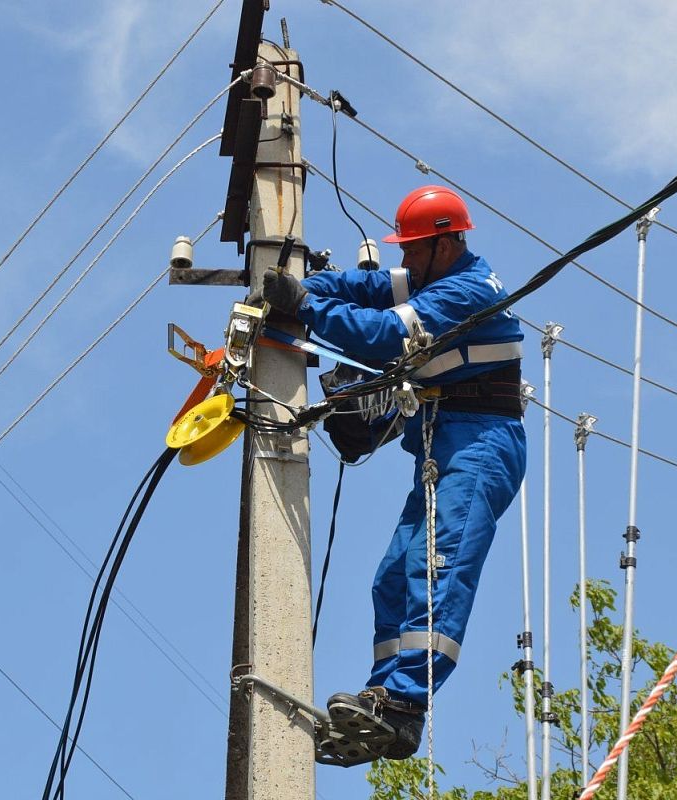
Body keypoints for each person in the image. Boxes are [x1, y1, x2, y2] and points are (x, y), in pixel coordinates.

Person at [259, 185, 526, 762]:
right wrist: (305, 290)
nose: (402, 260)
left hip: (480, 443)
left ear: (446, 241)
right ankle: (383, 707)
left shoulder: (468, 289)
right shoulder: (428, 276)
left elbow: (384, 337)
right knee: (393, 575)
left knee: (439, 565)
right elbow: (360, 288)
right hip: (442, 440)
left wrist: (303, 307)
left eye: (412, 248)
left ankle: (405, 701)